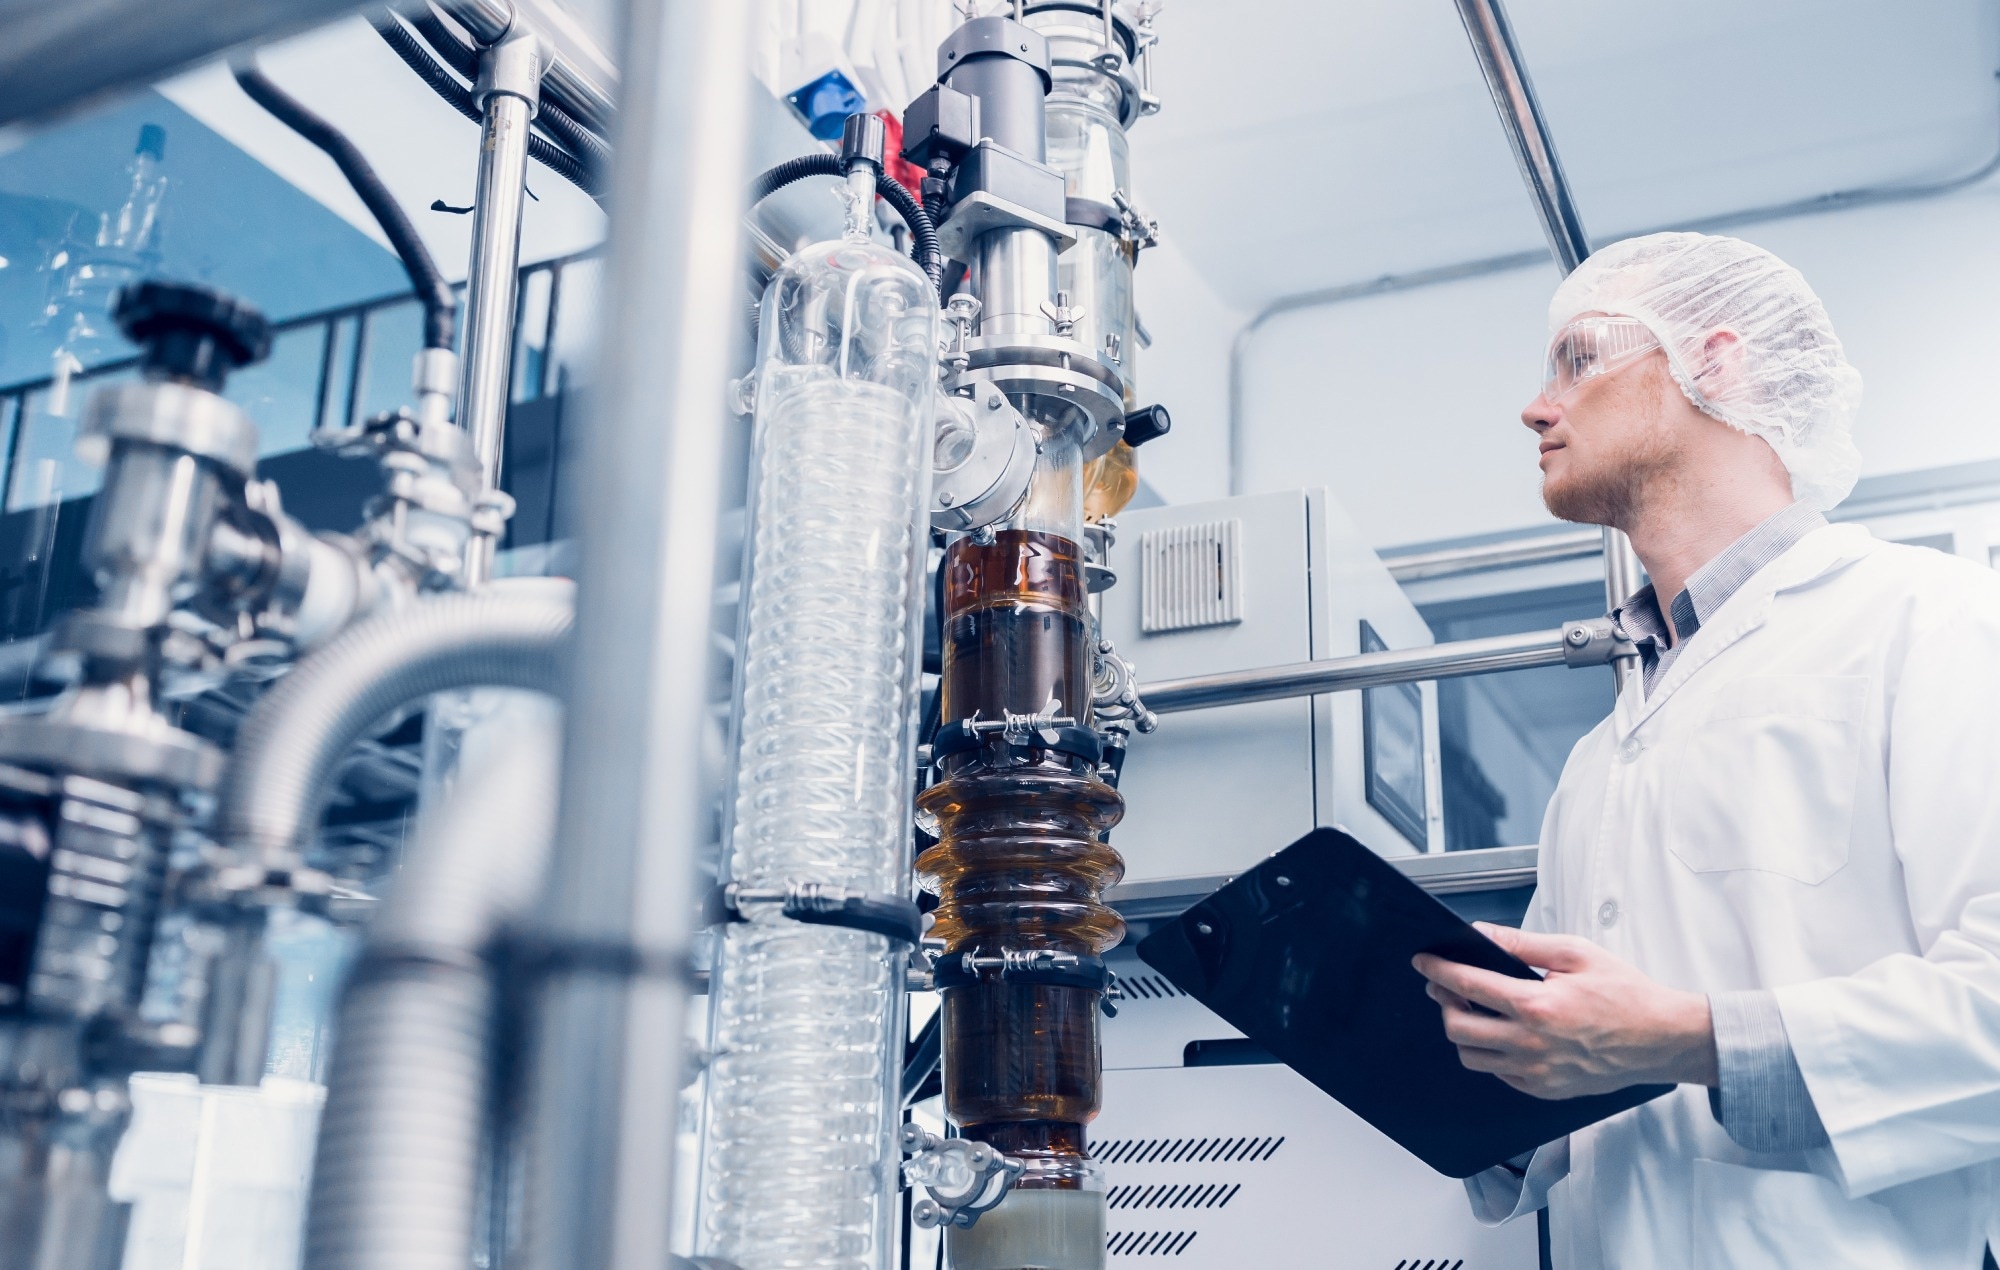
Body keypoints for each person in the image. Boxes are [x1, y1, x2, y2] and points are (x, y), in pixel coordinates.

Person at [1411, 231, 2000, 1266]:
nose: (1535, 405)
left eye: (1578, 357)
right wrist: (1472, 1062)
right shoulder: (1598, 761)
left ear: (1715, 361)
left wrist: (1685, 1038)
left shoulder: (1933, 621)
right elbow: (1578, 1092)